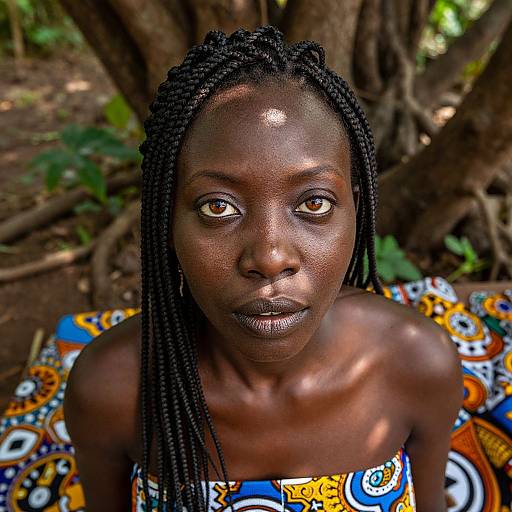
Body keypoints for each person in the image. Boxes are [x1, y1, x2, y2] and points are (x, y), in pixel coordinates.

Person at [63, 26, 464, 511]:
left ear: (356, 211)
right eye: (218, 207)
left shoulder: (417, 363)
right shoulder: (113, 389)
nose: (271, 257)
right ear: (167, 219)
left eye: (314, 202)